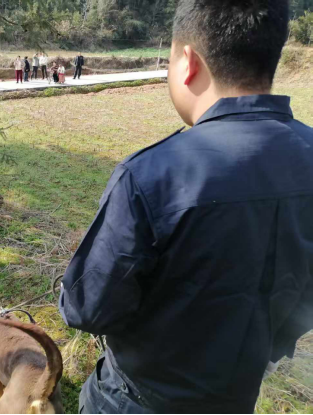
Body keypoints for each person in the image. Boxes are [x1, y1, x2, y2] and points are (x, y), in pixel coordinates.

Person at [60, 1, 313, 414]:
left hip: (135, 399)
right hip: (235, 397)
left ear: (188, 62)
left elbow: (86, 308)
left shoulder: (151, 175)